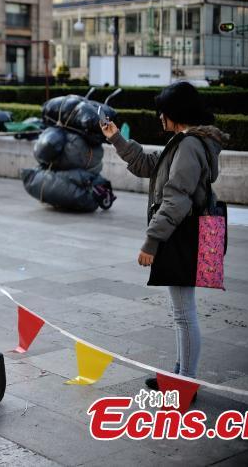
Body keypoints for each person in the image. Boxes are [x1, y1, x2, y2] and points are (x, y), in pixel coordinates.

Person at [100, 81, 228, 393]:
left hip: (181, 234)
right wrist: (116, 138)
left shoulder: (189, 146)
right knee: (181, 313)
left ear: (176, 113)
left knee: (184, 314)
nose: (160, 117)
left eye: (163, 112)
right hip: (180, 232)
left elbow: (176, 199)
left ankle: (185, 383)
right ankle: (180, 375)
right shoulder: (183, 142)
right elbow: (149, 165)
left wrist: (151, 242)